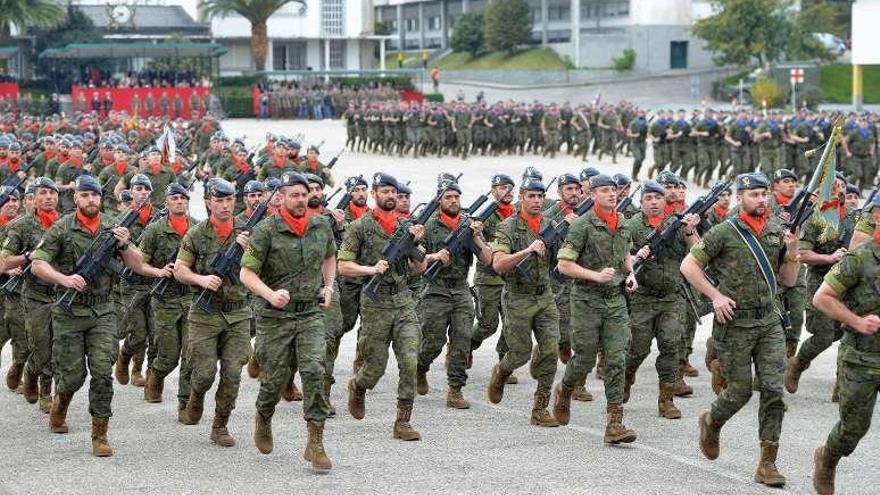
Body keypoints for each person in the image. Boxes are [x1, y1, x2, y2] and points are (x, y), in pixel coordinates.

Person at [680, 173, 800, 487]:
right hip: (734, 325)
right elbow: (688, 266)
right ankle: (712, 421)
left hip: (769, 322)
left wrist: (793, 249)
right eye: (754, 195)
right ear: (741, 198)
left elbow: (787, 279)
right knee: (739, 391)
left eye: (764, 194)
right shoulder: (724, 231)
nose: (761, 200)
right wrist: (716, 296)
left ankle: (767, 463)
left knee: (774, 391)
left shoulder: (777, 230)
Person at [30, 175, 149, 457]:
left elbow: (137, 264)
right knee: (72, 376)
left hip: (103, 312)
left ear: (100, 198)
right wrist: (64, 279)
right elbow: (37, 263)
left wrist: (125, 245)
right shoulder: (62, 228)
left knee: (101, 373)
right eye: (85, 195)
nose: (91, 200)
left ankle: (100, 434)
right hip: (69, 312)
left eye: (95, 195)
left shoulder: (113, 227)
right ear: (76, 198)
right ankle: (61, 403)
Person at [240, 171, 336, 471]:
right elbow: (246, 273)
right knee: (275, 379)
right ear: (280, 197)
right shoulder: (266, 230)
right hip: (275, 316)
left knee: (314, 370)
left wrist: (329, 285)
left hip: (309, 312)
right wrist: (269, 294)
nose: (299, 200)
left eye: (303, 195)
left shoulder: (321, 224)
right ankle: (264, 416)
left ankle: (316, 441)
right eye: (293, 194)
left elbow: (330, 257)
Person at [338, 172, 426, 441]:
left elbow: (419, 268)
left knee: (410, 361)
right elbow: (343, 265)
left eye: (394, 193)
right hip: (374, 303)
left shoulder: (407, 226)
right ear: (375, 194)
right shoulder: (360, 227)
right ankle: (358, 386)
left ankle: (403, 421)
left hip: (402, 301)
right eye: (385, 192)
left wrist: (416, 243)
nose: (391, 196)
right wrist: (370, 269)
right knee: (375, 366)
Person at [173, 179, 252, 447]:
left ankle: (220, 425)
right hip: (205, 314)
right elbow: (180, 269)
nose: (225, 206)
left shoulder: (248, 233)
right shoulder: (196, 234)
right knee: (204, 372)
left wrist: (249, 247)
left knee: (232, 373)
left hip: (238, 313)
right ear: (208, 203)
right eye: (219, 201)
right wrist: (201, 279)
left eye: (229, 200)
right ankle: (195, 397)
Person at [810, 194, 880, 495]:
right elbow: (822, 297)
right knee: (852, 429)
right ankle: (827, 457)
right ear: (876, 216)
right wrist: (856, 321)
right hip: (861, 359)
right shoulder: (859, 259)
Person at [487, 176, 559, 427]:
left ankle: (540, 408)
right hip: (517, 296)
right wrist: (528, 250)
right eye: (532, 196)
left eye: (540, 196)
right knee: (520, 353)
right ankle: (502, 371)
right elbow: (498, 264)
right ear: (522, 198)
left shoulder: (552, 224)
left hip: (545, 295)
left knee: (551, 350)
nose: (537, 201)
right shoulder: (507, 227)